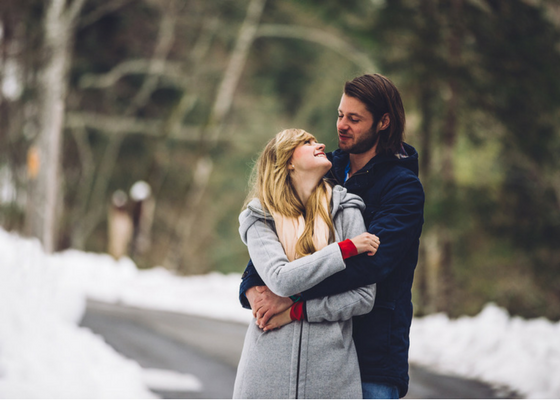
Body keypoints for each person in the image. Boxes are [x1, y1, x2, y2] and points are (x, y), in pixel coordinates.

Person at [239, 74, 425, 399]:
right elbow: (282, 227)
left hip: (373, 352)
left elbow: (371, 264)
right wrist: (254, 284)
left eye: (354, 119)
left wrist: (292, 295)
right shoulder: (328, 170)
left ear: (383, 122)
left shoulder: (402, 188)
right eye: (340, 114)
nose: (342, 125)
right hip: (316, 348)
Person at [234, 128, 380, 399]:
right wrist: (344, 249)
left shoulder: (346, 209)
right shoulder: (259, 217)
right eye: (307, 142)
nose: (320, 144)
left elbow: (363, 297)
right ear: (288, 160)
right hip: (264, 375)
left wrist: (299, 310)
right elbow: (281, 279)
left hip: (332, 378)